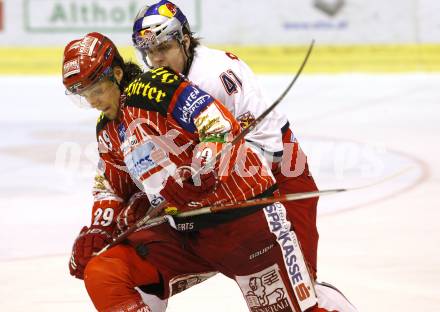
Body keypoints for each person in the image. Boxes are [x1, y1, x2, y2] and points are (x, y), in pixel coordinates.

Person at [63, 33, 356, 311]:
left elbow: (217, 124)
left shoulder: (157, 84)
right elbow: (111, 186)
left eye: (96, 89)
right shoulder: (108, 128)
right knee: (105, 270)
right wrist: (100, 228)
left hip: (240, 225)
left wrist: (200, 169)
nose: (92, 101)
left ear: (116, 74)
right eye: (82, 94)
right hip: (184, 235)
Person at [131, 0, 319, 279]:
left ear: (184, 40)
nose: (156, 60)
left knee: (301, 279)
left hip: (282, 174)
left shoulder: (216, 77)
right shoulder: (162, 80)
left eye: (163, 48)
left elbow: (270, 147)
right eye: (148, 51)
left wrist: (211, 176)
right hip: (230, 184)